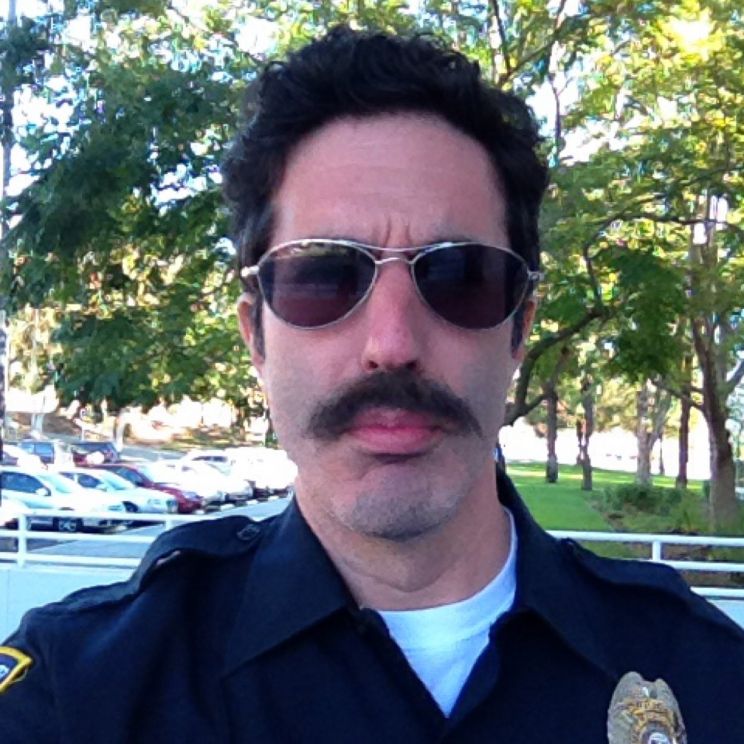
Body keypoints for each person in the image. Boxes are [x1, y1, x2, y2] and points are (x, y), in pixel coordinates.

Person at [1, 26, 742, 743]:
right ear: (256, 333)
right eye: (324, 276)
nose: (392, 345)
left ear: (519, 328)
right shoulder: (78, 694)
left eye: (460, 277)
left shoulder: (713, 679)